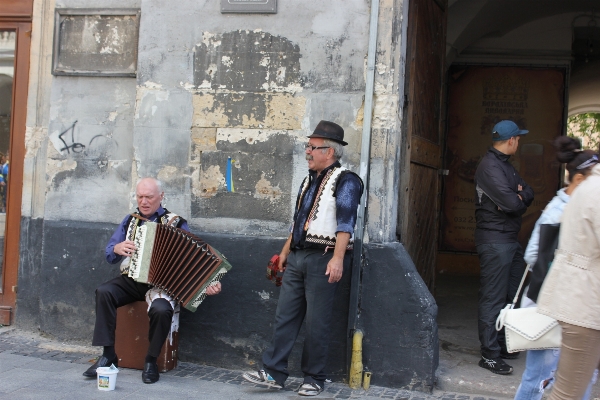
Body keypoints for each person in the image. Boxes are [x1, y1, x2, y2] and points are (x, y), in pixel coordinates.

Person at [242, 121, 363, 397]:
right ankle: (273, 372)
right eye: (307, 146)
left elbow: (346, 224)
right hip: (298, 257)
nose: (307, 151)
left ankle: (315, 377)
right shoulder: (308, 179)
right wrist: (285, 252)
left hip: (324, 258)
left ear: (329, 152)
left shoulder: (347, 181)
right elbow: (298, 221)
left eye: (312, 147)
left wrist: (338, 259)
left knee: (317, 321)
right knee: (285, 316)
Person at [82, 177, 222, 383]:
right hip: (132, 280)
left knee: (162, 309)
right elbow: (110, 254)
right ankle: (108, 355)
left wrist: (208, 283)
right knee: (104, 292)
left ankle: (150, 360)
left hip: (162, 285)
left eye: (149, 197)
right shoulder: (130, 220)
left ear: (161, 197)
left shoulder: (176, 223)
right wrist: (116, 248)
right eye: (140, 197)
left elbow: (194, 257)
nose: (144, 202)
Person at [514, 137, 599, 399]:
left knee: (574, 379)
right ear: (578, 180)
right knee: (541, 377)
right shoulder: (558, 211)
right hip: (553, 305)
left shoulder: (573, 204)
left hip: (567, 303)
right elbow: (532, 255)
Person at [474, 120, 534, 375]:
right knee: (493, 298)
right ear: (511, 140)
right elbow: (514, 204)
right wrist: (516, 197)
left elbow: (528, 193)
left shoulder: (505, 167)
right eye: (518, 139)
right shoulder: (490, 167)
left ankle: (502, 344)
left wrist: (518, 196)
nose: (519, 142)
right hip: (495, 241)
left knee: (513, 295)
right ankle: (488, 355)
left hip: (509, 239)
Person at [537, 156, 600, 399]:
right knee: (568, 393)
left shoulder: (589, 187)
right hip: (585, 304)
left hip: (582, 298)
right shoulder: (595, 190)